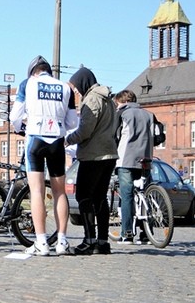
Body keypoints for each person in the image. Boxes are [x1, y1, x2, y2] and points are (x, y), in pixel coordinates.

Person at [11, 55, 78, 256]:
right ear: (49, 70)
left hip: (35, 139)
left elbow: (15, 116)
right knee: (59, 192)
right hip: (56, 140)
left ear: (33, 71)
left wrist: (19, 128)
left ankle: (41, 242)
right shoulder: (65, 87)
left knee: (37, 192)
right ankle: (62, 241)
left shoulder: (27, 84)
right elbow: (73, 123)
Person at [64, 67, 118, 255]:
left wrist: (67, 139)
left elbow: (85, 130)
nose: (77, 91)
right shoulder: (109, 99)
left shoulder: (92, 99)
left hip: (93, 155)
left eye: (77, 87)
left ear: (84, 82)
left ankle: (89, 241)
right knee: (100, 198)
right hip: (109, 154)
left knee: (84, 197)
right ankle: (102, 242)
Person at [114, 89, 155, 245]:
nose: (116, 107)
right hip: (146, 159)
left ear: (123, 102)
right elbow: (158, 137)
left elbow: (114, 136)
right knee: (147, 195)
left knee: (127, 196)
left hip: (126, 159)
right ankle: (147, 234)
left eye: (117, 104)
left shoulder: (122, 114)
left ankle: (127, 234)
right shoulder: (150, 115)